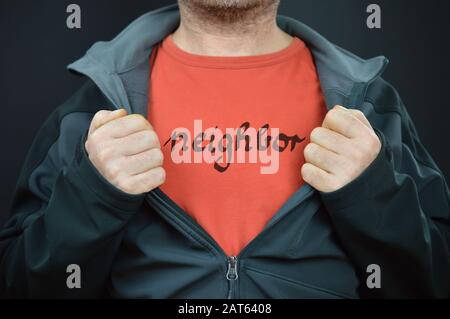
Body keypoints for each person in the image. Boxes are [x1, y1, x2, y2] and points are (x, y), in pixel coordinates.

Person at [0, 1, 449, 298]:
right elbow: (18, 284)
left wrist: (372, 196)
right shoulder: (92, 109)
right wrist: (91, 197)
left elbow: (435, 279)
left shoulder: (369, 104)